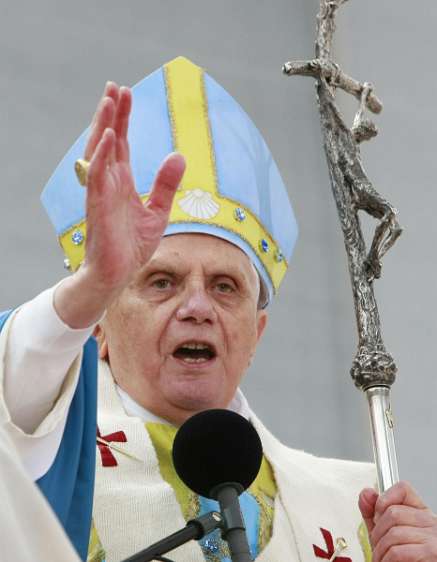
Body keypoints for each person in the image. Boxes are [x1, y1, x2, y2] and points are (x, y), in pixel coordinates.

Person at [1, 56, 437, 562]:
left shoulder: (350, 508)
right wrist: (94, 283)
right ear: (98, 328)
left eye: (225, 287)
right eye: (162, 282)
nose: (197, 307)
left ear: (257, 332)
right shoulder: (49, 462)